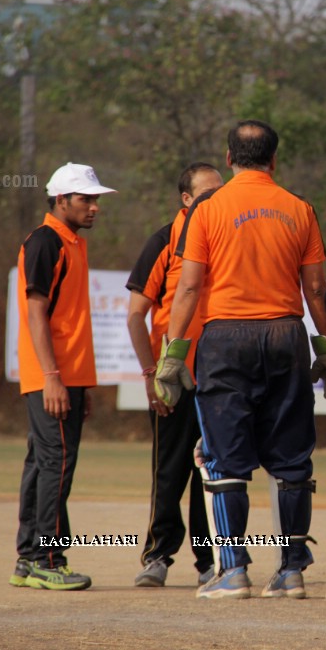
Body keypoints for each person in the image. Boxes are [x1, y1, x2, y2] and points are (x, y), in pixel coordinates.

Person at [158, 120, 326, 601]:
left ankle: (234, 570)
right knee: (292, 459)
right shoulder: (300, 209)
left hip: (225, 338)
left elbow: (191, 286)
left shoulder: (209, 208)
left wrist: (173, 352)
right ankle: (292, 570)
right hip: (285, 334)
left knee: (224, 459)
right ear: (275, 160)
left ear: (228, 158)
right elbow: (316, 289)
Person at [10, 162, 115, 591]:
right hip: (50, 374)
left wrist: (80, 383)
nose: (94, 207)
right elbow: (36, 312)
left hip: (66, 375)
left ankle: (27, 559)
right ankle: (46, 558)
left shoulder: (71, 242)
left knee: (41, 462)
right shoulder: (45, 241)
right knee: (57, 463)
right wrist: (52, 376)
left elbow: (68, 319)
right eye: (86, 199)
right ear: (61, 201)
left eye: (96, 200)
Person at [125, 162, 223, 587]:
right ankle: (158, 555)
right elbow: (135, 316)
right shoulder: (165, 239)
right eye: (206, 194)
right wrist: (152, 376)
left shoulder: (226, 235)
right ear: (186, 199)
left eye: (221, 191)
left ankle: (209, 562)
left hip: (218, 375)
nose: (216, 200)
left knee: (212, 471)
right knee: (169, 470)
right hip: (173, 376)